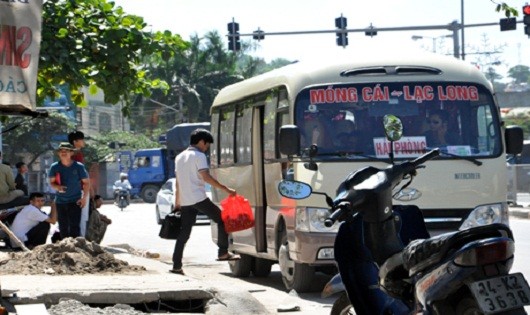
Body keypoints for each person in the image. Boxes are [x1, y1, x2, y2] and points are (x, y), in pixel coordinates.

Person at [172, 128, 240, 275]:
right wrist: (226, 189)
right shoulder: (199, 156)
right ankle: (223, 252)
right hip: (198, 197)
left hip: (185, 200)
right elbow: (206, 177)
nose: (207, 148)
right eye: (207, 144)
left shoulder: (179, 157)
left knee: (184, 234)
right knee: (222, 219)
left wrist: (177, 202)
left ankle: (176, 265)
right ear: (201, 141)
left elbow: (178, 182)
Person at [48, 142, 89, 239]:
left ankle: (75, 249)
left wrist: (84, 198)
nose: (63, 152)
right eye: (61, 151)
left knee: (74, 227)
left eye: (66, 151)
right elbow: (52, 183)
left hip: (75, 200)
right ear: (58, 153)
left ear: (71, 153)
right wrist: (58, 187)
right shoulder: (54, 167)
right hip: (60, 201)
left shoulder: (79, 166)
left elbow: (86, 183)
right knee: (63, 227)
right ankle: (65, 248)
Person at [68, 131, 90, 236]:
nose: (83, 141)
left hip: (74, 189)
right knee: (82, 216)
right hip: (80, 189)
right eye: (81, 139)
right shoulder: (76, 154)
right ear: (75, 141)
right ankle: (81, 240)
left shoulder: (71, 153)